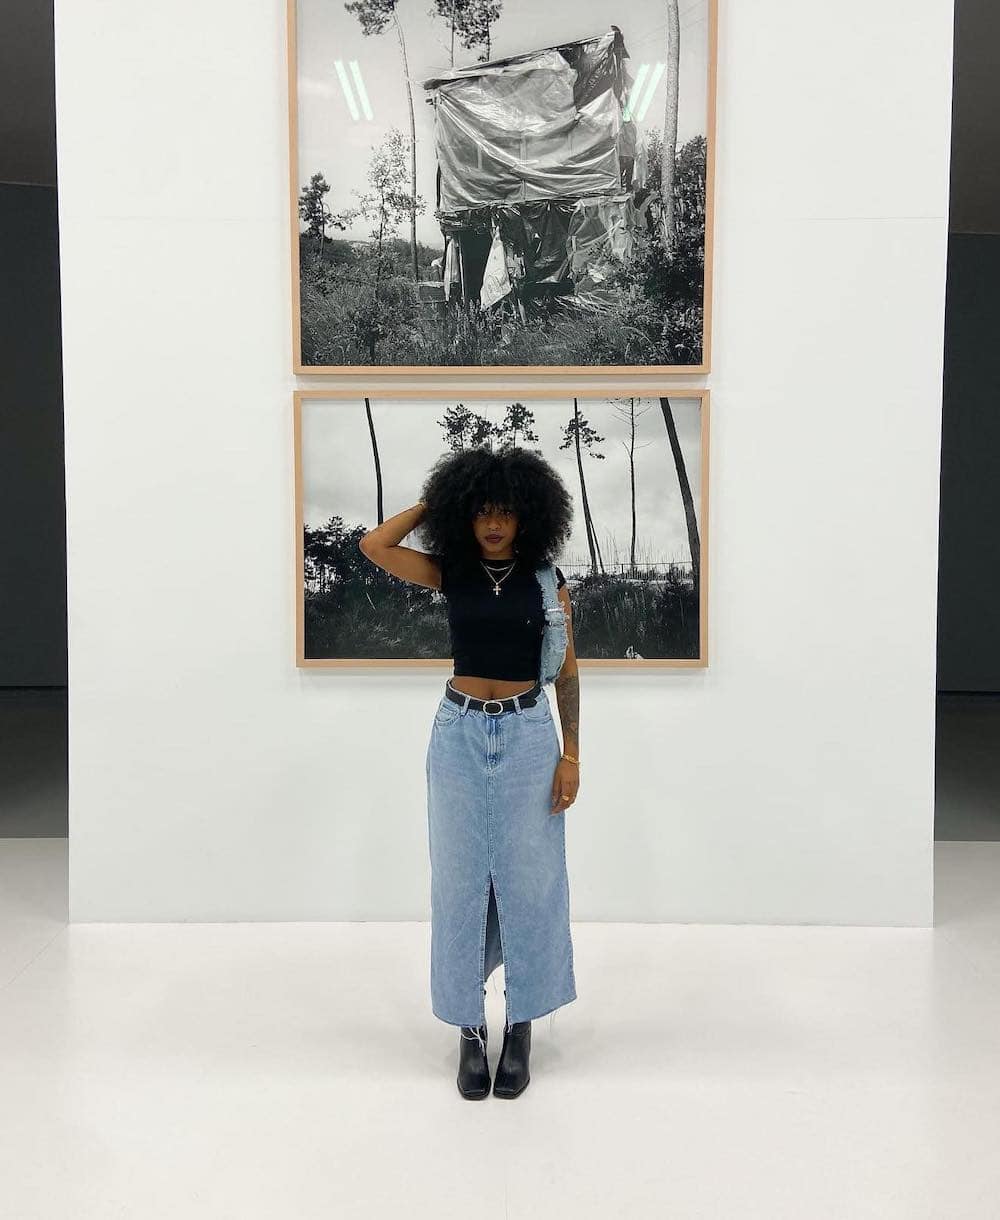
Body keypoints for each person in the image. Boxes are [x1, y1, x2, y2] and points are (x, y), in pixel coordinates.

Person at [359, 446, 581, 1100]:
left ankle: (521, 1023)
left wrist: (572, 755)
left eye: (505, 511)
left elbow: (566, 671)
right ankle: (468, 1029)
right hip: (457, 732)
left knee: (532, 878)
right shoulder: (450, 572)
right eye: (480, 510)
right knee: (458, 880)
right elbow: (375, 544)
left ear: (527, 517)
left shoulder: (546, 583)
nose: (492, 523)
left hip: (528, 733)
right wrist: (442, 496)